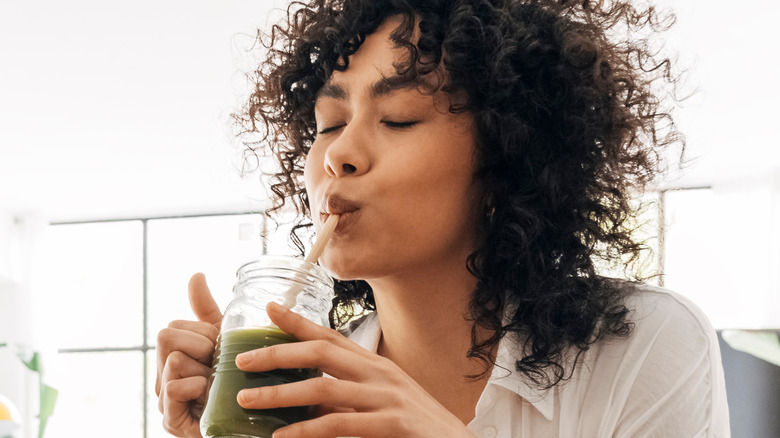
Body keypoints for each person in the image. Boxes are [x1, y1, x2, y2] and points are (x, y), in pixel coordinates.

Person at [156, 0, 730, 437]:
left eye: (399, 118)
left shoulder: (643, 343)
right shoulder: (306, 391)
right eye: (329, 123)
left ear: (506, 159)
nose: (337, 154)